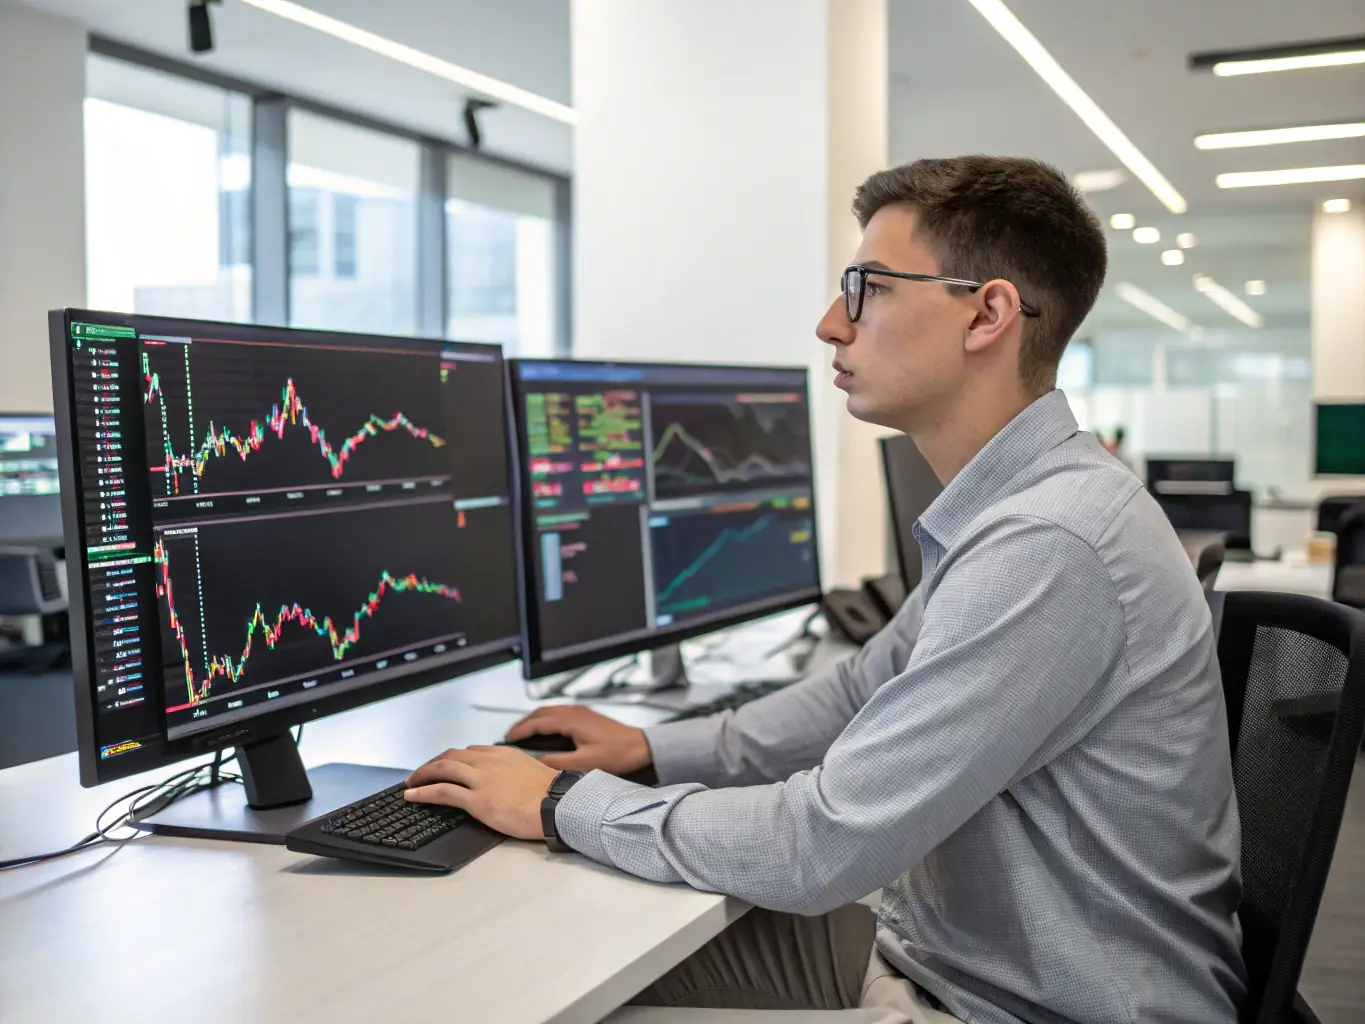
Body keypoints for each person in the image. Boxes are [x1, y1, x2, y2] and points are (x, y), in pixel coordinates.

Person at [403, 156, 1247, 1024]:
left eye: (867, 288)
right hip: (948, 960)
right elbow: (860, 687)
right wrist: (650, 754)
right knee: (558, 955)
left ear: (987, 314)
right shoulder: (1018, 510)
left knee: (554, 1000)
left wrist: (555, 801)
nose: (829, 324)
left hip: (1017, 1006)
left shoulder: (1048, 543)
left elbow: (822, 846)